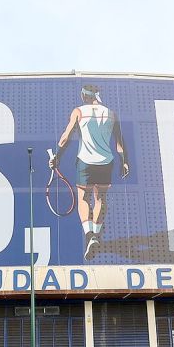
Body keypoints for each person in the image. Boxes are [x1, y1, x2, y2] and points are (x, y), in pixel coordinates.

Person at [49, 85, 130, 260]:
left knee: (84, 197)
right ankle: (97, 234)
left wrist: (57, 156)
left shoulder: (78, 111)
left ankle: (89, 235)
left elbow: (66, 137)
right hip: (106, 162)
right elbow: (119, 142)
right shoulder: (111, 113)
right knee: (100, 198)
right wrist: (125, 162)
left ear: (84, 95)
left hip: (85, 162)